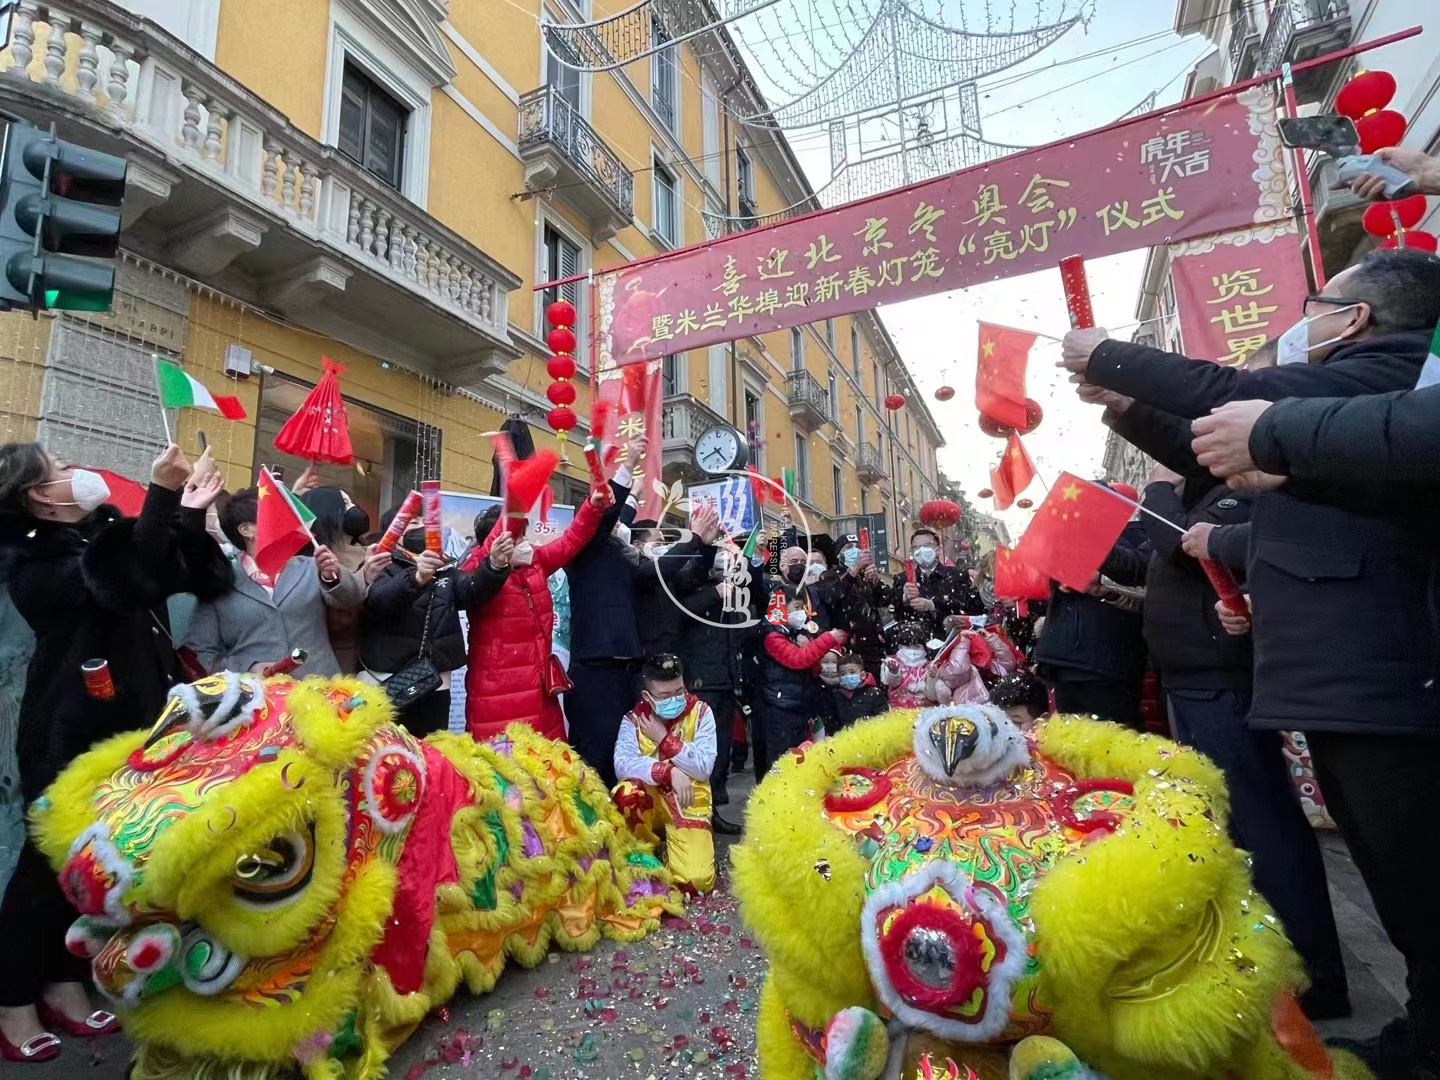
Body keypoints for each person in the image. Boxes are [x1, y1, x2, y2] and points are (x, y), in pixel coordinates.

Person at [1065, 245, 1440, 1078]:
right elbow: (1217, 440)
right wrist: (1126, 402)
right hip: (1342, 672)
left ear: (1356, 318)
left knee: (1417, 872)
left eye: (1316, 303)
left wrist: (1111, 356)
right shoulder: (1355, 385)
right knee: (1397, 876)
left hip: (1381, 667)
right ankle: (1424, 1029)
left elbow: (1241, 401)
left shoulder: (1386, 373)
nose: (1300, 322)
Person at [0, 442, 230, 1062]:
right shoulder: (29, 557)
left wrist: (187, 514)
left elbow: (206, 578)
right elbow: (116, 583)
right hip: (68, 734)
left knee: (93, 871)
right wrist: (159, 496)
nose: (77, 474)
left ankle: (64, 984)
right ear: (41, 498)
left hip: (138, 727)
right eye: (60, 470)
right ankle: (13, 1004)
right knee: (46, 869)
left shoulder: (107, 533)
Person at [1143, 463, 1349, 1019]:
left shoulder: (1234, 494)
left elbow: (1178, 542)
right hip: (1191, 680)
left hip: (1221, 683)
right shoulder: (1204, 495)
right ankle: (1265, 955)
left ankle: (1311, 973)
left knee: (1262, 822)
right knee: (1233, 823)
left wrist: (1158, 485)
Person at [457, 482, 609, 743]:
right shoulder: (474, 570)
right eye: (517, 537)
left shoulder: (533, 563)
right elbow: (479, 576)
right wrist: (494, 563)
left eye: (524, 536)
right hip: (498, 696)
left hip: (539, 692)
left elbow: (570, 541)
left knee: (547, 770)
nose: (525, 544)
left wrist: (592, 507)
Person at [359, 511, 513, 737]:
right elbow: (380, 601)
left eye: (424, 521)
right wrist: (417, 577)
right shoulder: (380, 562)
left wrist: (494, 565)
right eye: (413, 522)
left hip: (434, 681)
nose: (421, 526)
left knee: (432, 754)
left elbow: (472, 590)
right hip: (385, 680)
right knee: (385, 753)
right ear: (394, 531)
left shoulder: (446, 569)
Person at [183, 487, 366, 678]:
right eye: (272, 513)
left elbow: (350, 599)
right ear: (246, 530)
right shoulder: (220, 581)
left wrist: (333, 577)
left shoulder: (311, 567)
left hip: (319, 693)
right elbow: (200, 654)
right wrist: (248, 668)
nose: (285, 520)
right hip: (255, 698)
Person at [612, 654, 718, 893]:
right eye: (665, 696)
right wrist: (667, 772)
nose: (675, 699)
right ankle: (643, 852)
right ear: (647, 697)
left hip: (688, 802)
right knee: (626, 794)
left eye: (679, 691)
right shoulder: (633, 720)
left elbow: (703, 766)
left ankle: (678, 851)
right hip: (650, 800)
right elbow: (623, 764)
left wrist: (664, 739)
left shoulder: (701, 713)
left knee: (696, 883)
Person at [1032, 516, 1150, 730]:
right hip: (1065, 659)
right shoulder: (1063, 542)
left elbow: (1143, 583)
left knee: (1113, 741)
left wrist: (1103, 582)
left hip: (1107, 663)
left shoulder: (1132, 535)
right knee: (1074, 743)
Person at [677, 547, 758, 832]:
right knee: (699, 752)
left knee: (719, 751)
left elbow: (741, 632)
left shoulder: (730, 593)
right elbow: (682, 616)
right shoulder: (690, 587)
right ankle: (695, 814)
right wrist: (714, 593)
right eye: (718, 563)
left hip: (725, 680)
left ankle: (712, 811)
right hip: (701, 681)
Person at [752, 595, 847, 776]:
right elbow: (798, 660)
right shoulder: (772, 635)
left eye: (803, 607)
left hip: (798, 705)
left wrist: (810, 644)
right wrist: (827, 639)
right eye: (796, 607)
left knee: (800, 758)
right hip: (780, 707)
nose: (801, 612)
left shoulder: (795, 633)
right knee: (782, 762)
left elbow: (813, 668)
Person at [300, 485, 370, 674]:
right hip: (332, 660)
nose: (354, 508)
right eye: (345, 503)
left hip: (370, 655)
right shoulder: (313, 559)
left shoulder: (368, 551)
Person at [890, 525, 982, 642]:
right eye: (916, 547)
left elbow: (966, 609)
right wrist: (904, 598)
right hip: (915, 646)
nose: (921, 550)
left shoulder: (957, 576)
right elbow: (894, 612)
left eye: (927, 545)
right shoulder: (902, 579)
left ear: (938, 549)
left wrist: (932, 606)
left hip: (950, 642)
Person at [829, 535, 890, 677]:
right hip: (847, 649)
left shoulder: (865, 577)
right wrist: (853, 570)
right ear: (839, 554)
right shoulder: (831, 575)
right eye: (848, 547)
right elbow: (833, 595)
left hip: (873, 650)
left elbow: (885, 603)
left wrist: (875, 582)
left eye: (857, 546)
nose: (854, 550)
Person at [827, 652, 887, 732]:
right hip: (844, 739)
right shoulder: (837, 695)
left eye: (852, 672)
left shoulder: (874, 694)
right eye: (843, 674)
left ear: (862, 675)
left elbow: (883, 717)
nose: (848, 676)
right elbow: (833, 722)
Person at [879, 622, 933, 708]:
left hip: (924, 711)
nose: (912, 651)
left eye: (917, 647)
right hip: (898, 710)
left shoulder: (930, 665)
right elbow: (892, 683)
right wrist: (894, 672)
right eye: (907, 646)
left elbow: (932, 691)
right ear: (900, 646)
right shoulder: (892, 662)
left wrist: (933, 676)